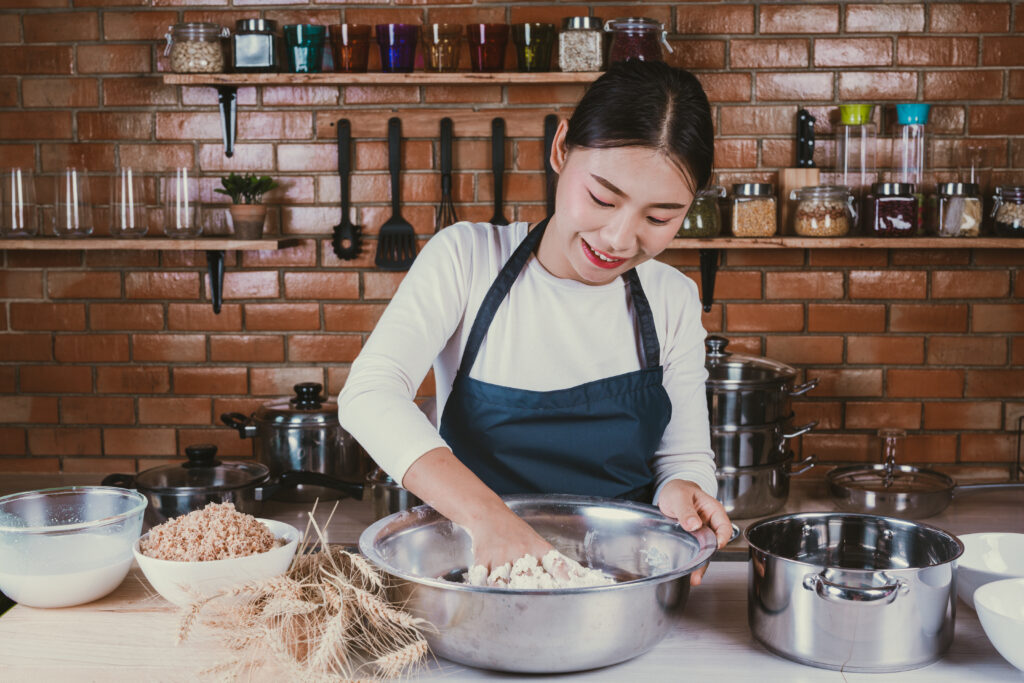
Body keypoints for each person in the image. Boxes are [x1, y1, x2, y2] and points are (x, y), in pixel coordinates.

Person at [339, 60, 732, 585]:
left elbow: (680, 457)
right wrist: (490, 519)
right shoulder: (466, 259)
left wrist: (682, 490)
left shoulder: (672, 298)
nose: (618, 238)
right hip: (474, 573)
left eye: (659, 218)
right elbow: (369, 394)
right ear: (560, 148)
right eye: (601, 198)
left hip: (618, 583)